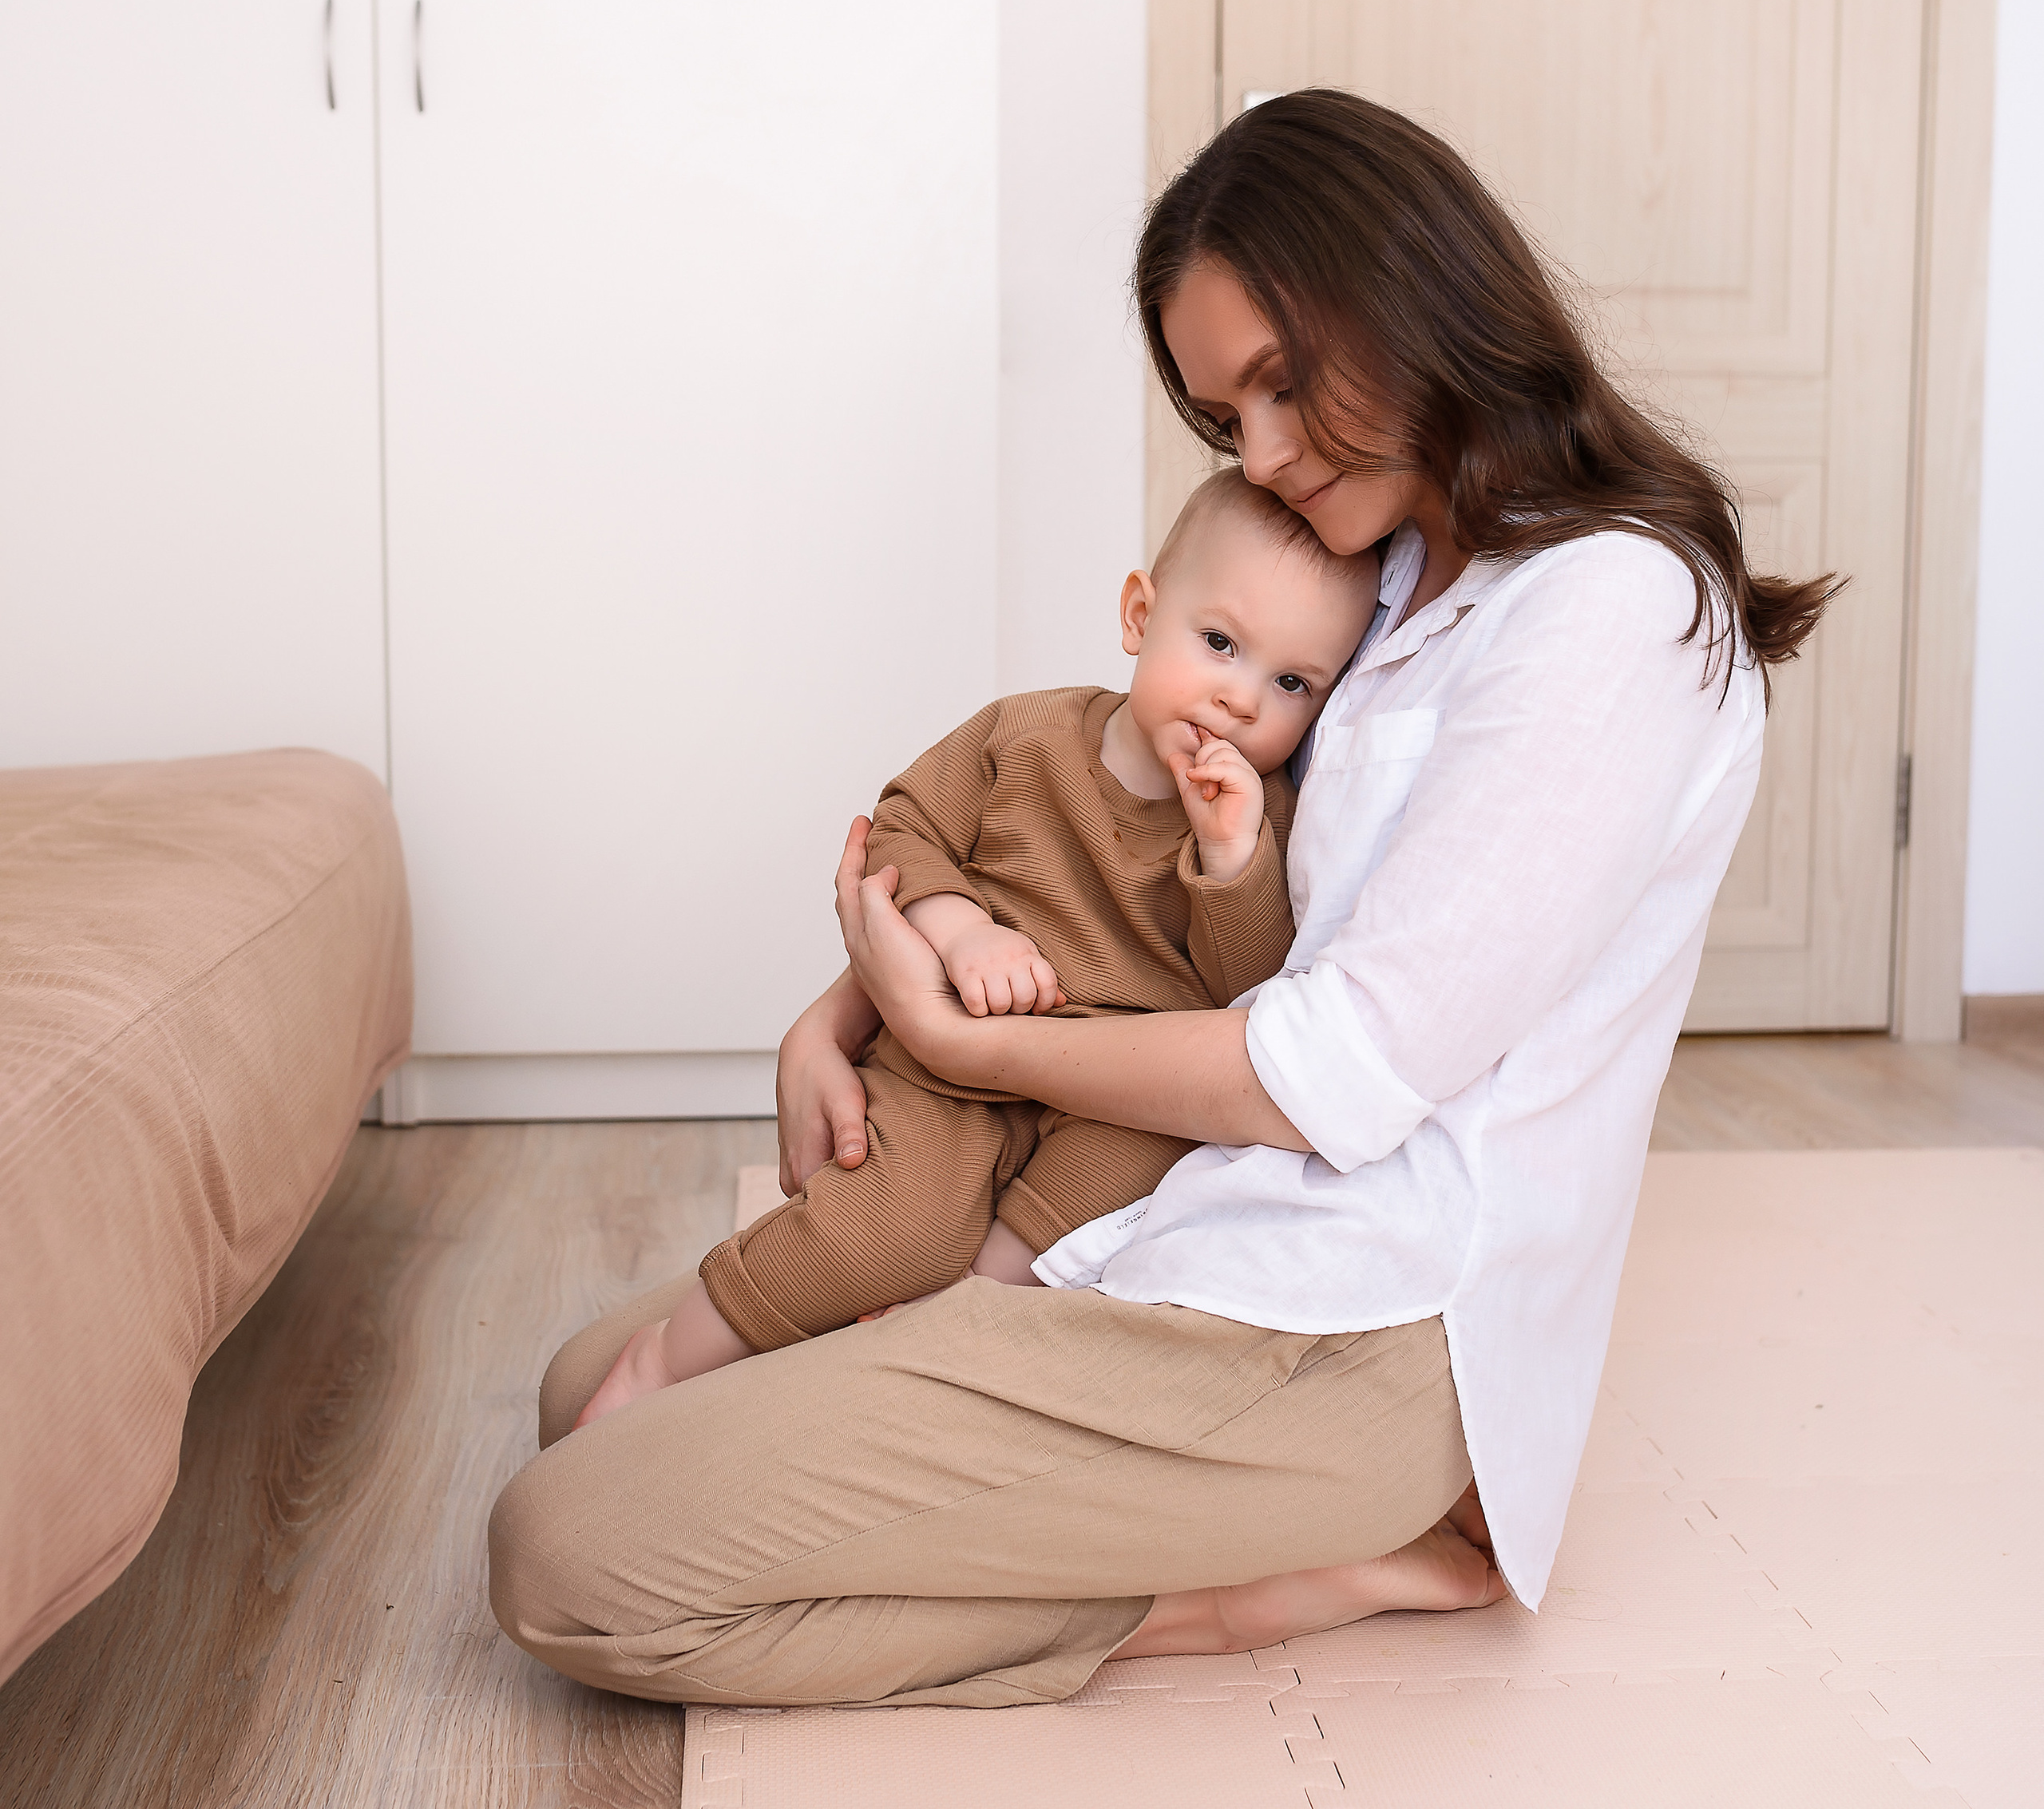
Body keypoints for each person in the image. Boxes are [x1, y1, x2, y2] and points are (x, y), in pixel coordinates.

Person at [488, 89, 1831, 1708]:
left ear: (1409, 301)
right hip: (1165, 1209)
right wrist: (845, 1005)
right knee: (585, 1391)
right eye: (1223, 418)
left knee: (567, 1553)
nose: (1258, 455)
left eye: (1279, 384)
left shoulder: (1607, 610)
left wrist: (969, 1052)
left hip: (1346, 1320)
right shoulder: (1387, 574)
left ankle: (1240, 1589)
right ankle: (1102, 1511)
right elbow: (1106, 847)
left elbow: (1324, 1070)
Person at [569, 469, 1377, 1427]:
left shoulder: (1260, 823)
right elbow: (902, 833)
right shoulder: (1024, 737)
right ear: (1138, 615)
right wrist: (962, 931)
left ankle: (952, 1317)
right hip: (954, 1062)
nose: (1241, 700)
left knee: (1134, 1181)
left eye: (1291, 683)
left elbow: (1246, 991)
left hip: (1112, 1092)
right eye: (1218, 644)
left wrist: (1231, 855)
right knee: (894, 1226)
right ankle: (661, 1363)